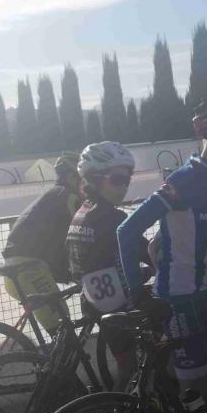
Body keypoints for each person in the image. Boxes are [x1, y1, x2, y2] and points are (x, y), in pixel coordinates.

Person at [117, 101, 207, 405]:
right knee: (192, 389)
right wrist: (138, 293)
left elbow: (200, 247)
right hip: (178, 300)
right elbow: (126, 231)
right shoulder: (185, 179)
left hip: (204, 295)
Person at [66, 143, 141, 387]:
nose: (123, 187)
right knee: (132, 368)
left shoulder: (82, 212)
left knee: (127, 363)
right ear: (95, 180)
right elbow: (147, 252)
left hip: (93, 301)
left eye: (127, 180)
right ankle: (124, 407)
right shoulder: (113, 217)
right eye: (117, 180)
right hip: (116, 305)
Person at [0, 153, 81, 335]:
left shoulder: (55, 193)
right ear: (71, 177)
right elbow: (77, 236)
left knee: (60, 325)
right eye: (83, 178)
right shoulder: (68, 196)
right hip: (29, 270)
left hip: (18, 268)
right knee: (61, 325)